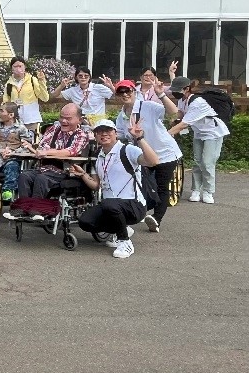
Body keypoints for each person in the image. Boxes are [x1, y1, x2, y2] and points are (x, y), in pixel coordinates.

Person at [74, 119, 160, 260]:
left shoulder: (127, 150)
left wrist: (139, 138)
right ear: (95, 136)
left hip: (134, 205)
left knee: (110, 204)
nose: (104, 134)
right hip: (111, 207)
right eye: (99, 132)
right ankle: (122, 229)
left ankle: (124, 242)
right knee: (85, 221)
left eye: (108, 131)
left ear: (115, 133)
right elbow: (96, 185)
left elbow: (153, 161)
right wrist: (83, 174)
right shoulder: (98, 157)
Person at [114, 78, 181, 231]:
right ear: (118, 96)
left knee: (161, 187)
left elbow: (173, 112)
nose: (125, 95)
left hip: (166, 153)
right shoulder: (121, 116)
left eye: (128, 91)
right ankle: (139, 212)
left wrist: (161, 94)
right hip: (145, 156)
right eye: (121, 92)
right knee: (143, 185)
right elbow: (119, 135)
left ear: (134, 91)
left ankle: (156, 219)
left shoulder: (147, 106)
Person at [167, 77, 229, 204]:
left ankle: (208, 191)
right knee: (198, 161)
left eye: (178, 90)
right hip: (199, 133)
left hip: (213, 133)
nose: (175, 93)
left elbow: (184, 124)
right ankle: (196, 190)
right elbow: (180, 114)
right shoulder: (182, 100)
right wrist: (173, 121)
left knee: (207, 162)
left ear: (187, 89)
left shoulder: (198, 103)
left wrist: (165, 135)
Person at [13, 103, 90, 204]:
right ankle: (23, 207)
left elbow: (70, 151)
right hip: (44, 169)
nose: (63, 121)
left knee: (42, 179)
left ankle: (36, 208)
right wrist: (38, 150)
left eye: (68, 118)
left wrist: (47, 152)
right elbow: (42, 146)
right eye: (61, 117)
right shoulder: (53, 129)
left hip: (65, 172)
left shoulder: (81, 135)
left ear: (79, 120)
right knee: (24, 176)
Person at [2, 56, 49, 132]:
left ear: (25, 67)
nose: (18, 69)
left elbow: (45, 98)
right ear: (11, 68)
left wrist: (42, 81)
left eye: (20, 66)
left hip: (31, 120)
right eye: (15, 66)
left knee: (32, 142)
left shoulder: (32, 80)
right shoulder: (9, 83)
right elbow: (5, 103)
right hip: (15, 122)